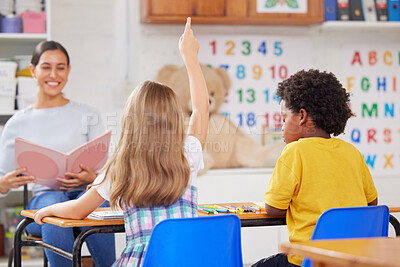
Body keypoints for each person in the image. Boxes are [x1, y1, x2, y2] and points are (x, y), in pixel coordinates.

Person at [33, 17, 209, 266]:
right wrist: (190, 57)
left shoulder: (119, 166)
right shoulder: (187, 154)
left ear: (130, 120)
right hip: (188, 259)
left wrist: (47, 210)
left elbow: (77, 211)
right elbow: (201, 109)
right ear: (174, 118)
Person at [0, 40, 116, 266]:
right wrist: (5, 183)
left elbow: (105, 174)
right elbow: (2, 181)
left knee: (100, 204)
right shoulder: (17, 123)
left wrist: (91, 178)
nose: (54, 74)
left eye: (61, 67)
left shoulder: (88, 113)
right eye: (46, 67)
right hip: (42, 201)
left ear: (68, 71)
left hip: (85, 195)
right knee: (54, 204)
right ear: (33, 71)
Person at [252, 69, 378, 267]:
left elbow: (274, 208)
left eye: (284, 119)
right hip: (352, 260)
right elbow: (372, 203)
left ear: (302, 116)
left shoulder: (294, 152)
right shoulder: (352, 152)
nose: (282, 127)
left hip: (309, 260)